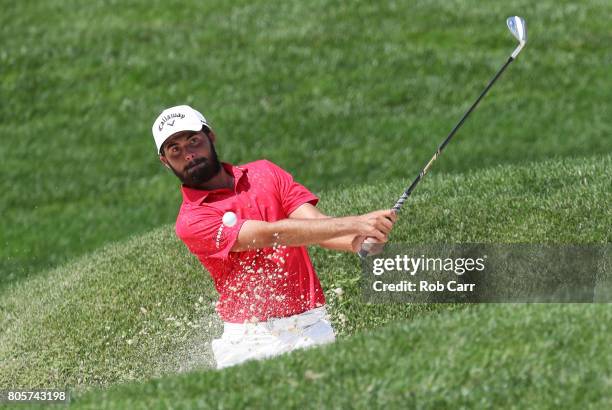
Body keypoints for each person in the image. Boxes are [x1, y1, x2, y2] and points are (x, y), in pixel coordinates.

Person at [151, 105, 397, 369]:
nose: (188, 154)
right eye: (174, 150)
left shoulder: (264, 173)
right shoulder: (191, 220)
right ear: (165, 161)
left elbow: (315, 226)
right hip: (250, 340)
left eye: (193, 141)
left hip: (312, 325)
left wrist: (358, 241)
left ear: (210, 137)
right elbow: (271, 235)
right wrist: (356, 223)